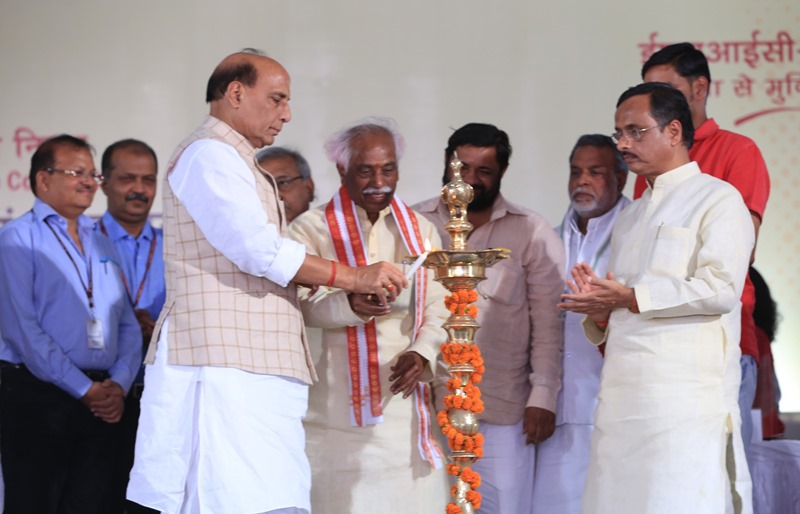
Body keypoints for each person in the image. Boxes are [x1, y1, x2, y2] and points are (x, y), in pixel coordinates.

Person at [125, 50, 406, 514]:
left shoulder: (234, 158)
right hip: (223, 364)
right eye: (277, 99)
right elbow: (257, 250)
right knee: (234, 500)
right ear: (236, 93)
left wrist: (344, 294)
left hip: (247, 365)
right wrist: (353, 276)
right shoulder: (209, 154)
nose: (287, 114)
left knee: (266, 498)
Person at [560, 82, 754, 514]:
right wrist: (601, 308)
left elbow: (721, 288)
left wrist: (631, 297)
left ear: (673, 131)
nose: (623, 144)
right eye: (619, 133)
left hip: (682, 402)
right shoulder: (631, 217)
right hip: (621, 399)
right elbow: (628, 302)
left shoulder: (717, 199)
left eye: (635, 131)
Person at [288, 117, 448, 513]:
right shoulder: (309, 231)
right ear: (342, 169)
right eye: (365, 171)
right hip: (329, 420)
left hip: (404, 416)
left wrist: (423, 353)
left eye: (388, 169)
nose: (380, 182)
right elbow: (295, 307)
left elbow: (440, 305)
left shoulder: (421, 231)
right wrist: (349, 304)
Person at [415, 123, 564, 514]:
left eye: (484, 171)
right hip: (426, 410)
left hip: (502, 409)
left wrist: (543, 397)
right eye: (462, 167)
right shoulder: (415, 224)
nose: (471, 180)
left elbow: (549, 325)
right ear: (447, 163)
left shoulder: (530, 230)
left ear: (502, 173)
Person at [635, 43, 771, 457]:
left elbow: (739, 252)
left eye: (666, 91)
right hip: (654, 345)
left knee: (717, 473)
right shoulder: (648, 166)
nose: (654, 103)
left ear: (699, 89)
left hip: (718, 342)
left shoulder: (737, 151)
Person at [0, 134, 142, 514]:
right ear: (43, 179)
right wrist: (83, 389)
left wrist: (118, 385)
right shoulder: (17, 238)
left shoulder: (101, 241)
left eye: (93, 174)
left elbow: (127, 323)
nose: (89, 182)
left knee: (94, 504)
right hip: (38, 396)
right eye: (77, 173)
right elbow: (21, 329)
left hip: (104, 400)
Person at [532, 134, 630, 513]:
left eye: (595, 172)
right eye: (576, 172)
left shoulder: (635, 235)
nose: (582, 181)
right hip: (556, 412)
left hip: (613, 411)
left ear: (621, 178)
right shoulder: (549, 241)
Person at [98, 139, 164, 514]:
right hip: (98, 396)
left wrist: (160, 326)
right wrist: (123, 322)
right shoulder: (82, 243)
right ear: (104, 182)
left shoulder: (176, 250)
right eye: (127, 179)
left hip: (157, 399)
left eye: (148, 179)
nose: (139, 189)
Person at [749, 267, 784, 439]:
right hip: (764, 428)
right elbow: (773, 393)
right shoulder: (759, 335)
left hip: (750, 428)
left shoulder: (752, 335)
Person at [257, 146, 315, 222]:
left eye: (282, 182)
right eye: (264, 187)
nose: (274, 195)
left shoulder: (327, 227)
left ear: (309, 187)